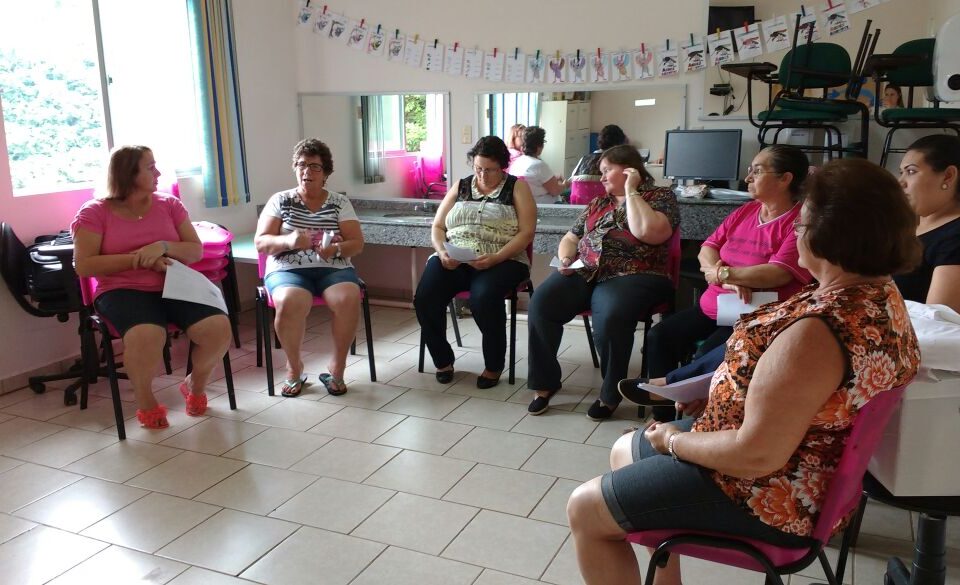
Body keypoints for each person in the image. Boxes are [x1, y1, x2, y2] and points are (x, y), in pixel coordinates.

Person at [566, 158, 922, 585]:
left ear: (832, 235)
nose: (795, 232)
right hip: (795, 462)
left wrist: (674, 441)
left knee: (585, 507)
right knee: (625, 449)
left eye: (801, 224)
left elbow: (757, 454)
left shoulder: (820, 331)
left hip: (768, 491)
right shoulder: (877, 295)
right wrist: (718, 390)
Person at [622, 145, 813, 421]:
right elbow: (707, 248)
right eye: (750, 171)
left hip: (753, 316)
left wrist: (725, 275)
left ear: (785, 178)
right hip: (714, 306)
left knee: (706, 352)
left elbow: (778, 273)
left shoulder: (799, 222)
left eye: (757, 171)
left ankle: (698, 419)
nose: (748, 178)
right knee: (659, 336)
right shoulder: (746, 211)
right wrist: (719, 273)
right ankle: (663, 417)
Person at [72, 145, 232, 429]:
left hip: (174, 283)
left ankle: (195, 384)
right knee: (147, 334)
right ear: (128, 174)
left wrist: (163, 246)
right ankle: (146, 402)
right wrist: (139, 260)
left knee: (218, 328)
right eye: (150, 168)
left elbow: (194, 250)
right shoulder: (95, 212)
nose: (158, 173)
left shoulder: (169, 204)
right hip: (121, 290)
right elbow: (84, 265)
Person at [526, 145, 678, 420]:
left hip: (635, 273)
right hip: (587, 270)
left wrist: (631, 191)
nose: (602, 177)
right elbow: (571, 237)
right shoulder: (598, 203)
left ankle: (611, 393)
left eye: (607, 170)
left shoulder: (659, 197)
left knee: (609, 315)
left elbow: (650, 233)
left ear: (630, 170)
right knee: (542, 302)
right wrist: (566, 258)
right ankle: (545, 382)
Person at [414, 136, 536, 389]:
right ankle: (442, 361)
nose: (482, 175)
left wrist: (496, 258)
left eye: (490, 170)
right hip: (457, 257)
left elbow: (526, 233)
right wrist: (442, 252)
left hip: (504, 259)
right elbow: (438, 226)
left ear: (502, 166)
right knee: (425, 297)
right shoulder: (461, 186)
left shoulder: (517, 188)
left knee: (483, 297)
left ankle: (493, 365)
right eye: (478, 168)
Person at [254, 138, 364, 397]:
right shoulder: (280, 200)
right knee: (290, 301)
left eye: (315, 166)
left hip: (333, 267)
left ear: (325, 173)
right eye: (302, 165)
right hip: (287, 269)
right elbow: (261, 242)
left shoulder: (339, 202)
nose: (307, 171)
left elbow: (357, 243)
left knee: (348, 298)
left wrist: (335, 249)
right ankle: (294, 368)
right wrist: (289, 241)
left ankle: (337, 368)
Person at [895, 134, 960, 312]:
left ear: (948, 176)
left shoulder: (955, 238)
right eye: (901, 172)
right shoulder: (906, 226)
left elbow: (940, 319)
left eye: (911, 171)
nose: (901, 182)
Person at [568, 124, 629, 205]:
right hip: (604, 206)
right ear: (620, 142)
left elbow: (571, 183)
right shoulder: (616, 160)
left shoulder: (584, 158)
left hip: (578, 206)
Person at [508, 126, 566, 205]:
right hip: (544, 206)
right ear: (539, 147)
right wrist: (565, 184)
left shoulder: (517, 162)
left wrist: (554, 178)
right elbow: (555, 191)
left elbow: (535, 179)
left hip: (523, 205)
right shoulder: (538, 165)